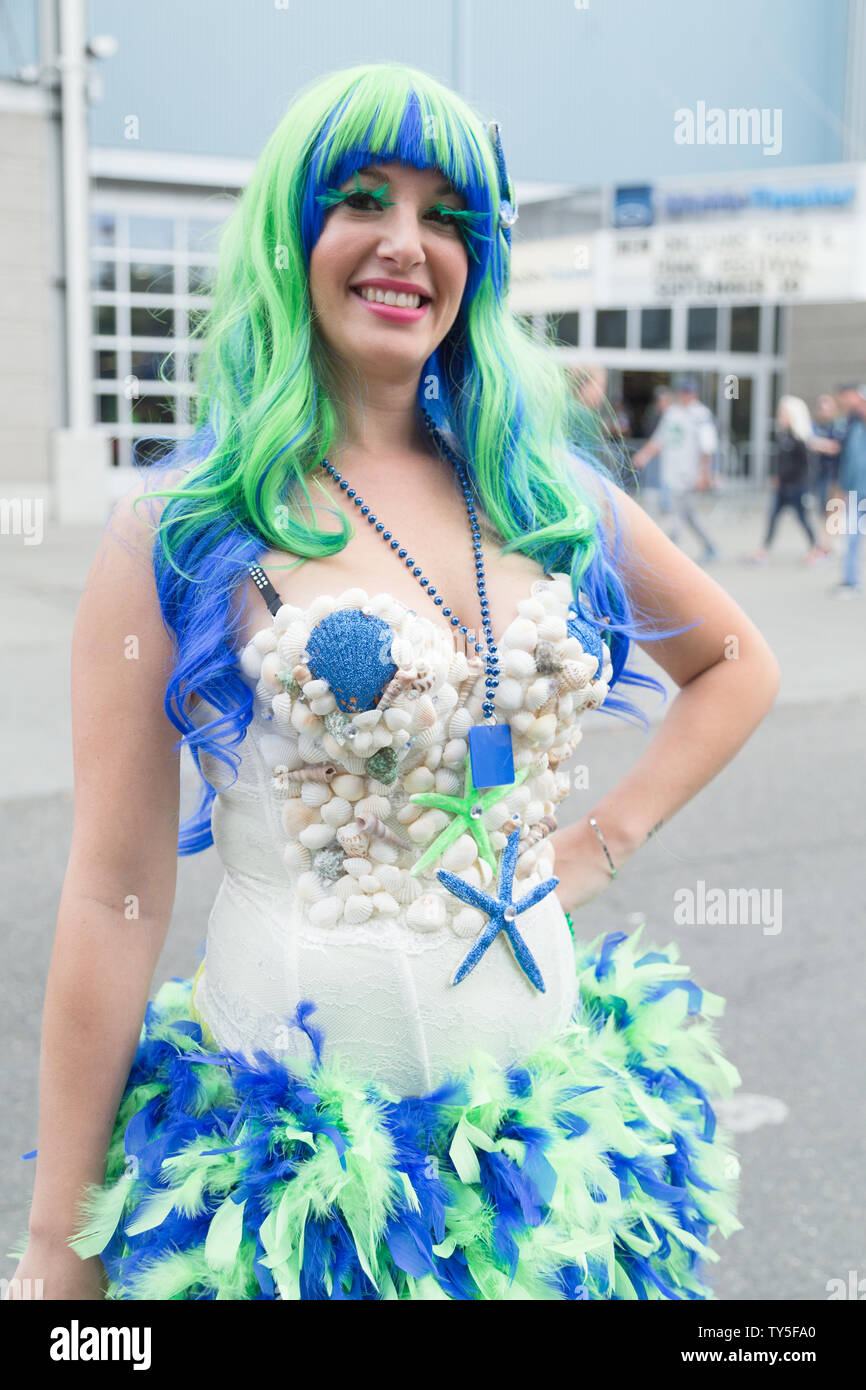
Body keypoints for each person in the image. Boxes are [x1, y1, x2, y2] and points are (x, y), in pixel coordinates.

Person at [6, 63, 781, 1302]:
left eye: (447, 216)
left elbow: (736, 666)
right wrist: (58, 1244)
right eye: (362, 199)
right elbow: (111, 893)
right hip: (283, 1204)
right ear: (286, 233)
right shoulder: (180, 527)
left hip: (545, 1173)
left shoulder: (544, 491)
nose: (406, 245)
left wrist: (601, 838)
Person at [631, 377, 719, 563]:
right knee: (687, 514)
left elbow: (707, 447)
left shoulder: (701, 415)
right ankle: (709, 546)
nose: (686, 396)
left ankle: (670, 555)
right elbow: (659, 440)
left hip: (690, 474)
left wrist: (705, 474)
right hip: (672, 473)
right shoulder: (672, 414)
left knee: (677, 514)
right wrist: (643, 455)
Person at [746, 397, 823, 566]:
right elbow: (781, 462)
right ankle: (764, 549)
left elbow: (804, 465)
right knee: (773, 517)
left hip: (796, 486)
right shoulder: (782, 436)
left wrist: (798, 483)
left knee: (803, 519)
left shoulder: (800, 438)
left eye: (783, 413)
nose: (780, 416)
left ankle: (815, 548)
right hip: (782, 486)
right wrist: (776, 476)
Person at [829, 384, 866, 596]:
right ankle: (850, 580)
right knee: (851, 535)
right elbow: (848, 459)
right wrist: (842, 487)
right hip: (855, 490)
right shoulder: (852, 424)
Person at [808, 392, 846, 560]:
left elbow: (835, 447)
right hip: (820, 474)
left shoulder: (838, 427)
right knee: (822, 509)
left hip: (835, 475)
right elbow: (809, 442)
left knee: (833, 509)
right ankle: (827, 541)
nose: (824, 411)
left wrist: (820, 445)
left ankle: (829, 542)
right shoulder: (816, 426)